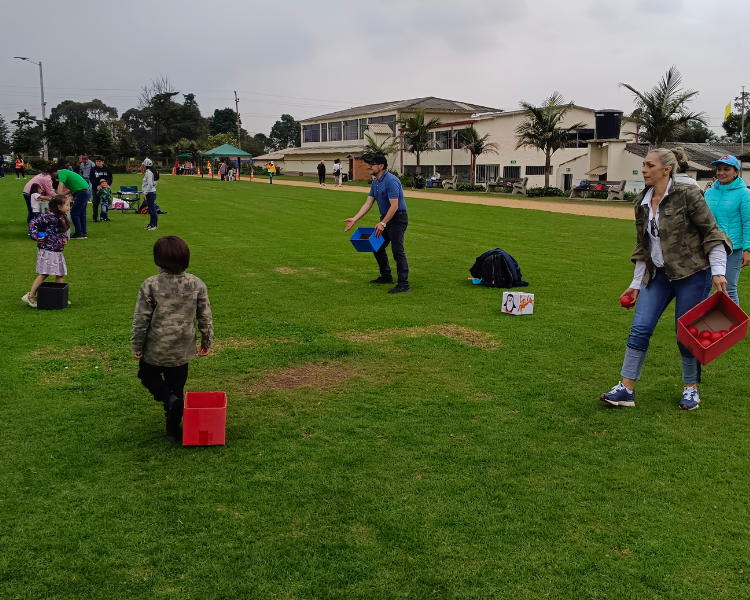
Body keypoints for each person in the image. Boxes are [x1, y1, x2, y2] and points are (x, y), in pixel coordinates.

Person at [600, 148, 731, 411]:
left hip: (692, 274)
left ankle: (690, 389)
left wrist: (718, 272)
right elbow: (643, 246)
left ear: (666, 169)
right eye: (643, 165)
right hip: (658, 275)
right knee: (640, 328)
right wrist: (636, 284)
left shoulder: (688, 195)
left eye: (649, 165)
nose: (644, 170)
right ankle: (626, 389)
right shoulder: (642, 201)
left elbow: (713, 233)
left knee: (686, 335)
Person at [131, 235, 213, 441]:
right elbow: (205, 316)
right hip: (182, 349)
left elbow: (141, 319)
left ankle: (168, 400)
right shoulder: (196, 283)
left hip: (155, 348)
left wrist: (136, 345)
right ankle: (173, 429)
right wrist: (207, 341)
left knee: (148, 376)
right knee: (177, 386)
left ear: (158, 260)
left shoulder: (151, 285)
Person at [343, 153, 411, 293]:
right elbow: (369, 203)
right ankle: (386, 276)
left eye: (372, 164)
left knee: (397, 251)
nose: (369, 166)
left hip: (397, 219)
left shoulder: (391, 181)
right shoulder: (376, 182)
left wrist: (383, 223)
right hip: (386, 219)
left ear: (381, 166)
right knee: (377, 245)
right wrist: (355, 218)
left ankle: (404, 284)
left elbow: (395, 206)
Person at [705, 154, 750, 305]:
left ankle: (734, 327)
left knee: (728, 289)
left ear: (736, 172)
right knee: (704, 288)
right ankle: (710, 325)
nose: (721, 172)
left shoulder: (744, 193)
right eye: (719, 169)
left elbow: (748, 222)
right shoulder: (709, 192)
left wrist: (747, 249)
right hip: (708, 247)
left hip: (732, 249)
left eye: (726, 169)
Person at [23, 194, 72, 308]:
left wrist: (64, 238)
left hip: (57, 250)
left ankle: (59, 296)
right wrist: (35, 235)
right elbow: (33, 223)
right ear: (59, 207)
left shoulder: (61, 216)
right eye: (67, 205)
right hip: (47, 249)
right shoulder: (49, 216)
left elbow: (61, 231)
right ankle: (30, 296)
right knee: (44, 273)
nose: (69, 207)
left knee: (60, 273)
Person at [52, 160, 91, 239]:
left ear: (54, 173)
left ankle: (79, 233)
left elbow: (60, 185)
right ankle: (83, 232)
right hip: (85, 191)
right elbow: (71, 189)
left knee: (74, 213)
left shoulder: (62, 173)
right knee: (82, 213)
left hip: (81, 193)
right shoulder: (67, 174)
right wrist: (62, 195)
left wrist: (58, 197)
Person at [90, 156, 113, 222]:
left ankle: (104, 217)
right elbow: (91, 179)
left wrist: (108, 184)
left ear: (103, 162)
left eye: (99, 161)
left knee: (105, 203)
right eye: (97, 161)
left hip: (105, 189)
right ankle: (95, 217)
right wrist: (97, 185)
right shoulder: (93, 169)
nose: (98, 163)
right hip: (96, 189)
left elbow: (110, 178)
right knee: (95, 203)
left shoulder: (107, 169)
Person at [142, 158, 159, 230]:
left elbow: (150, 184)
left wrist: (145, 192)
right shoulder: (152, 171)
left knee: (152, 210)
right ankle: (151, 224)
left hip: (150, 192)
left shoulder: (149, 172)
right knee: (151, 209)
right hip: (152, 192)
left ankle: (154, 225)